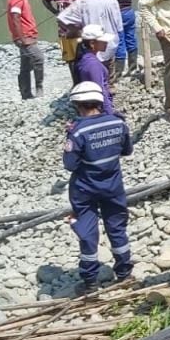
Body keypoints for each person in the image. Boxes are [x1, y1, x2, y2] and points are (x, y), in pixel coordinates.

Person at [62, 81, 134, 292]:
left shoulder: (77, 131)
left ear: (78, 105)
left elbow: (70, 164)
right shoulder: (118, 123)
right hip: (113, 186)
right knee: (117, 227)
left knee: (87, 232)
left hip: (85, 190)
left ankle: (90, 281)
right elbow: (127, 150)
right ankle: (124, 273)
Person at [58, 0, 124, 70]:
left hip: (91, 47)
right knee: (107, 76)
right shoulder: (112, 0)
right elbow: (119, 27)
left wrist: (76, 31)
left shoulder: (82, 2)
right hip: (109, 46)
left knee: (91, 76)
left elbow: (62, 19)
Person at [43, 0, 83, 84]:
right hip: (63, 31)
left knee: (80, 57)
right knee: (69, 59)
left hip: (77, 31)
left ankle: (83, 80)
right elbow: (45, 0)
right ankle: (75, 82)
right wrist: (55, 12)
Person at [7, 0, 43, 100]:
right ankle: (39, 89)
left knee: (26, 65)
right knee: (38, 59)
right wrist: (22, 38)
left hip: (27, 36)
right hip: (25, 37)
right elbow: (15, 17)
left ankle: (25, 93)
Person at [74, 24, 116, 115]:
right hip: (98, 111)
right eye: (103, 41)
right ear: (92, 43)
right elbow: (100, 92)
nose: (106, 43)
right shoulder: (93, 65)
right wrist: (109, 114)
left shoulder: (86, 59)